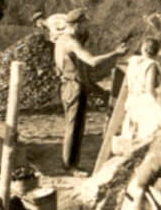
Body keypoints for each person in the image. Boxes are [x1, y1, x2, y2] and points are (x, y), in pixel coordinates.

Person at [51, 10, 121, 174]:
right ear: (77, 25)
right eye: (84, 25)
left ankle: (70, 163)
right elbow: (92, 61)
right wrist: (115, 53)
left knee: (75, 125)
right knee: (74, 126)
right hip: (73, 86)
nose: (87, 28)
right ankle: (70, 166)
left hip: (68, 84)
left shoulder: (61, 39)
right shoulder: (71, 43)